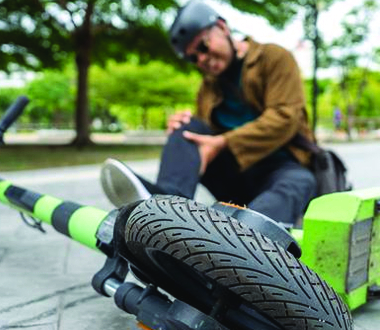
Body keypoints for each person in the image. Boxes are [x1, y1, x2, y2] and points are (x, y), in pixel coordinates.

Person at [100, 0, 316, 226]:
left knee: (298, 181)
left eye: (203, 46)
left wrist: (223, 142)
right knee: (187, 129)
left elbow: (285, 117)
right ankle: (166, 207)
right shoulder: (208, 87)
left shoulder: (273, 57)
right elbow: (203, 137)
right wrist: (184, 133)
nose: (201, 59)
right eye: (193, 58)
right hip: (235, 175)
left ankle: (249, 231)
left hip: (282, 168)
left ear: (223, 28)